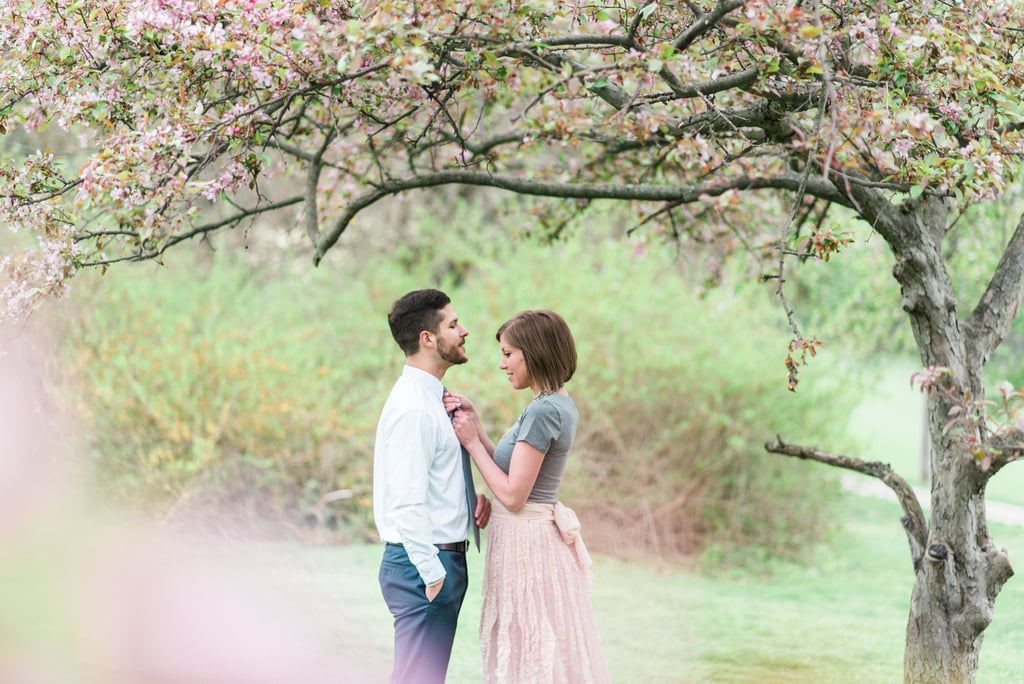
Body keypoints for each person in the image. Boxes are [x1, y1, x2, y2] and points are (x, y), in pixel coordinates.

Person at [448, 309, 610, 684]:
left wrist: (471, 443)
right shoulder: (554, 404)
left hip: (528, 547)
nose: (502, 364)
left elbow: (513, 494)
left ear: (533, 353)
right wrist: (480, 430)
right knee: (529, 650)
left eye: (508, 353)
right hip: (527, 540)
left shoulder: (544, 412)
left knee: (531, 652)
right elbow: (511, 471)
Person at [373, 288, 491, 684]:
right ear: (428, 339)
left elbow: (429, 479)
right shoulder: (414, 408)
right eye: (454, 325)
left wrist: (465, 499)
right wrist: (432, 572)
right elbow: (405, 501)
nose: (465, 331)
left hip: (439, 560)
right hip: (423, 564)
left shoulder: (432, 399)